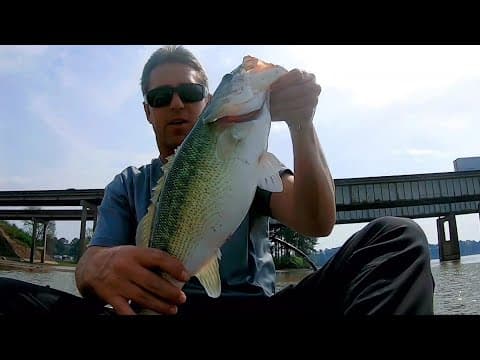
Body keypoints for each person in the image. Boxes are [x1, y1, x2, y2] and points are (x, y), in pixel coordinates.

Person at [0, 45, 434, 317]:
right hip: (156, 309)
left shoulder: (251, 157)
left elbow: (317, 221)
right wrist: (95, 267)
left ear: (208, 102)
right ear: (147, 111)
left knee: (398, 238)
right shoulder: (126, 184)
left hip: (255, 309)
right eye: (159, 97)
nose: (176, 104)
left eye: (189, 94)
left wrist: (301, 124)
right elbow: (91, 268)